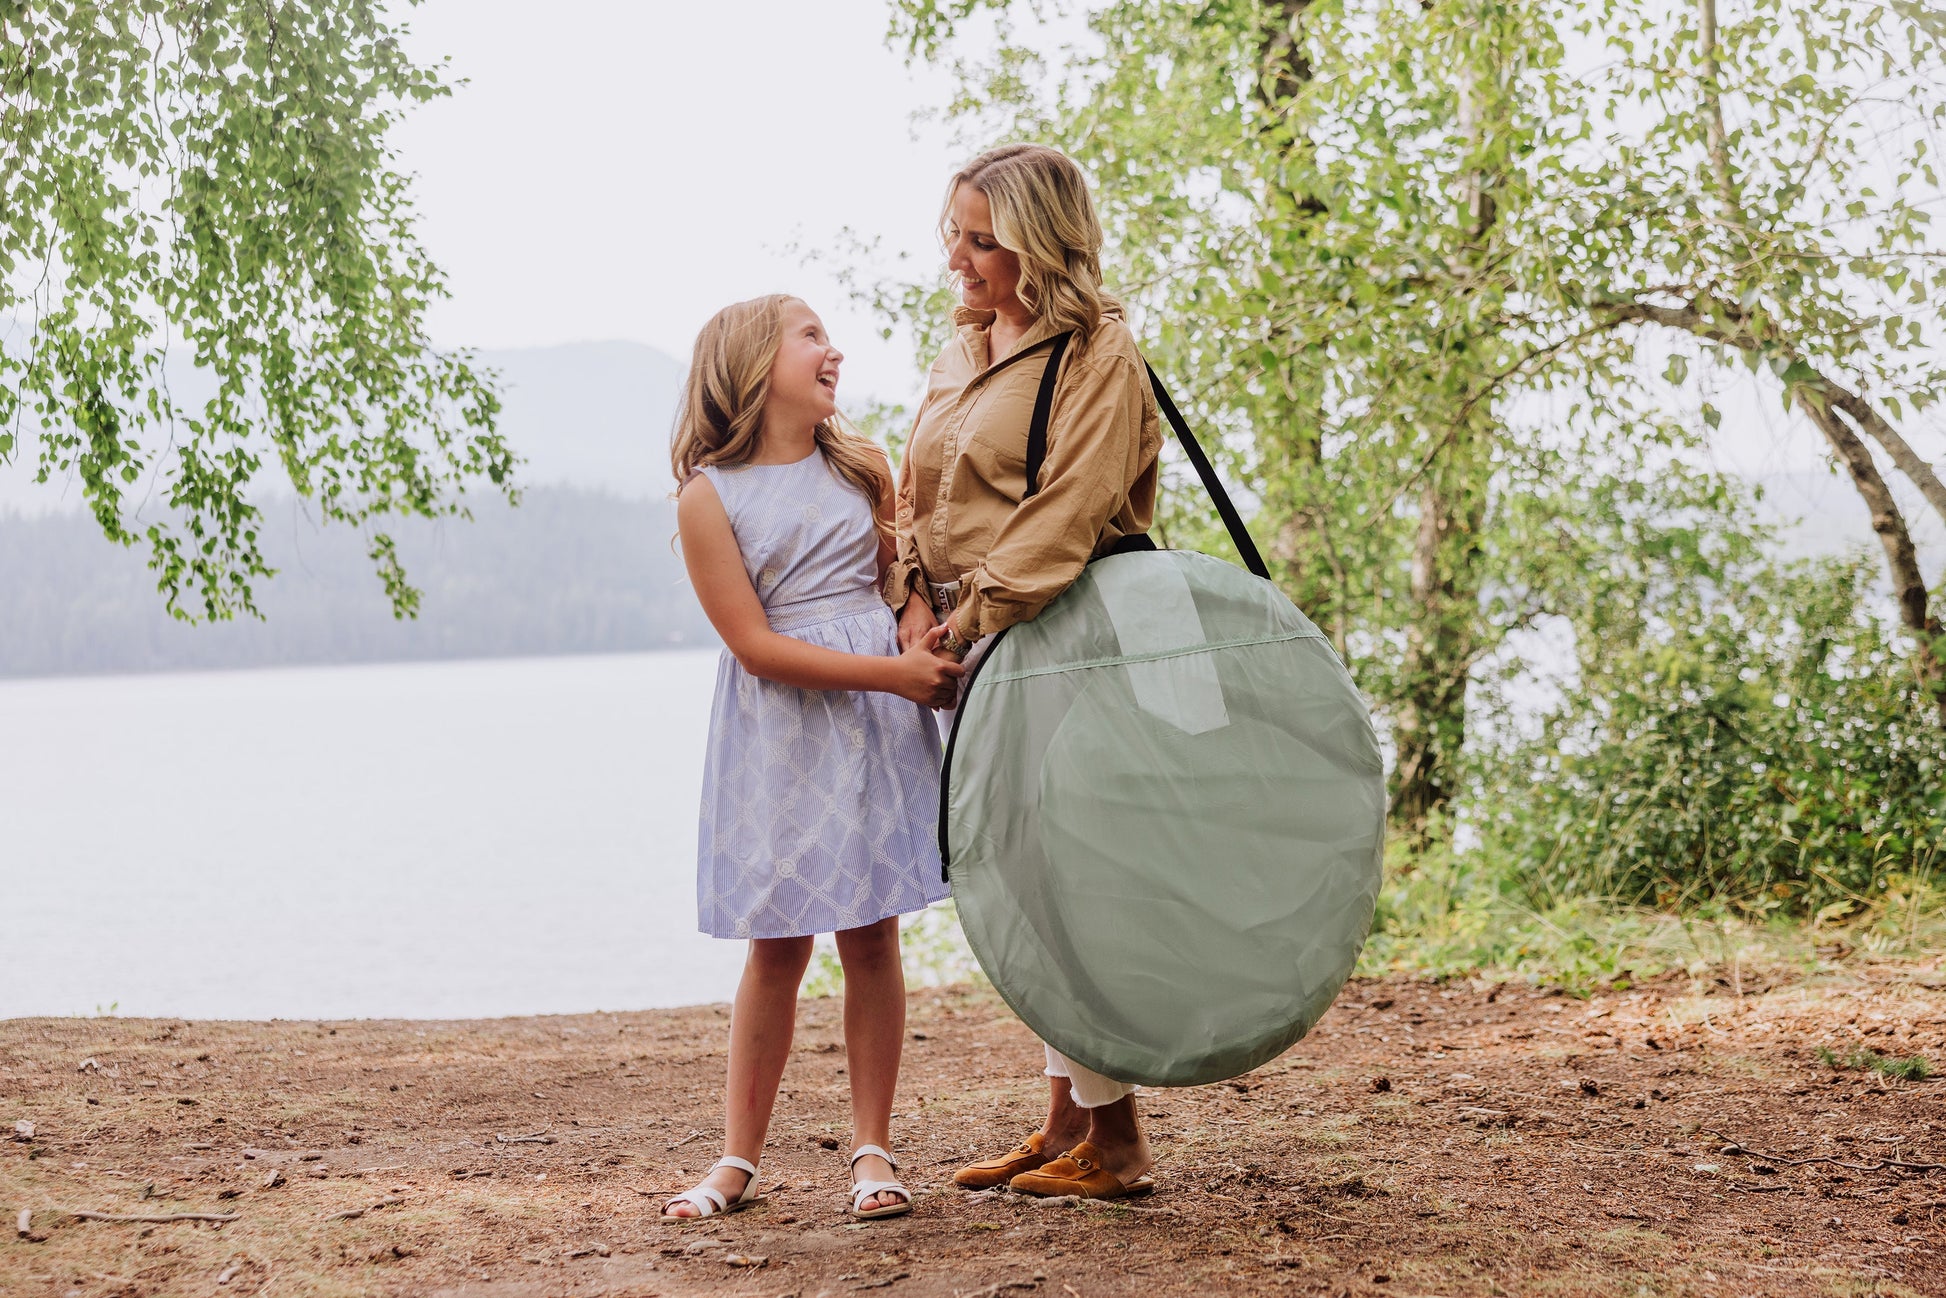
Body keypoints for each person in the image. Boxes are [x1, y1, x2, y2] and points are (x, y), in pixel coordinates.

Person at [891, 144, 1162, 1199]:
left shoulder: (1097, 352)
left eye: (982, 240)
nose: (956, 259)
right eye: (952, 233)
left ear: (1040, 245)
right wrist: (913, 600)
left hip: (1053, 638)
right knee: (1012, 873)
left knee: (1059, 880)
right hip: (970, 644)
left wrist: (962, 622)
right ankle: (1065, 1124)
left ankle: (1119, 1139)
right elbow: (915, 496)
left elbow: (1066, 515)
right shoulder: (964, 347)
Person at [662, 294, 964, 1222]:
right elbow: (755, 647)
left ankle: (873, 1150)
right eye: (812, 338)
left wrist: (914, 626)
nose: (834, 352)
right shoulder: (710, 497)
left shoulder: (861, 467)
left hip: (873, 727)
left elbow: (898, 580)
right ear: (755, 365)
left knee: (872, 934)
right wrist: (892, 675)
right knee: (779, 941)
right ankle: (737, 1159)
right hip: (786, 734)